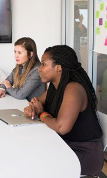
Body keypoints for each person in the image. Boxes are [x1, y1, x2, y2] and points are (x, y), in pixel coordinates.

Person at [24, 45, 103, 176]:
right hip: (65, 144)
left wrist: (41, 113)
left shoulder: (74, 89)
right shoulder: (56, 87)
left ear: (59, 67)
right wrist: (31, 108)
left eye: (44, 64)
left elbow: (61, 127)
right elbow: (36, 101)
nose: (39, 68)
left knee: (34, 162)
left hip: (83, 154)